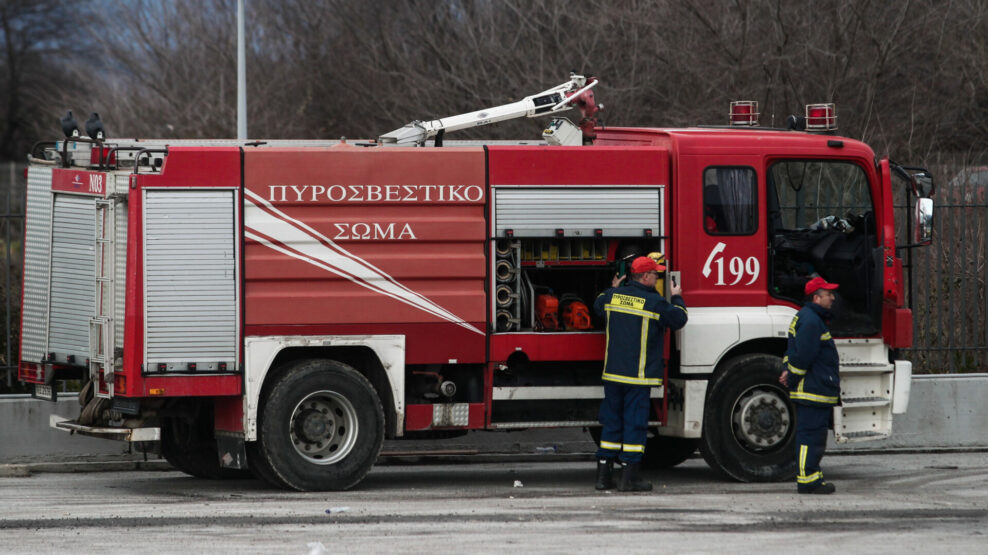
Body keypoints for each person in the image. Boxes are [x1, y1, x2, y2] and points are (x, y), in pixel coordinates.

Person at [593, 256, 688, 492]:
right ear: (644, 277)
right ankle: (629, 478)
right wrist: (676, 296)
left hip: (613, 375)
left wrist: (612, 287)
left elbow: (598, 304)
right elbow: (679, 319)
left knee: (611, 423)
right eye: (655, 274)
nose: (657, 278)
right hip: (638, 376)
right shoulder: (654, 302)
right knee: (634, 424)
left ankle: (603, 477)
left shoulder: (611, 297)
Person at [778, 276, 841, 494]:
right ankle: (808, 480)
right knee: (810, 437)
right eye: (828, 294)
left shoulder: (806, 318)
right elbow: (803, 356)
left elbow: (791, 352)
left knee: (811, 436)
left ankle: (811, 477)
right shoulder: (812, 321)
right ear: (816, 297)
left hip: (813, 389)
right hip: (813, 390)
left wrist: (788, 371)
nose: (832, 298)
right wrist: (792, 377)